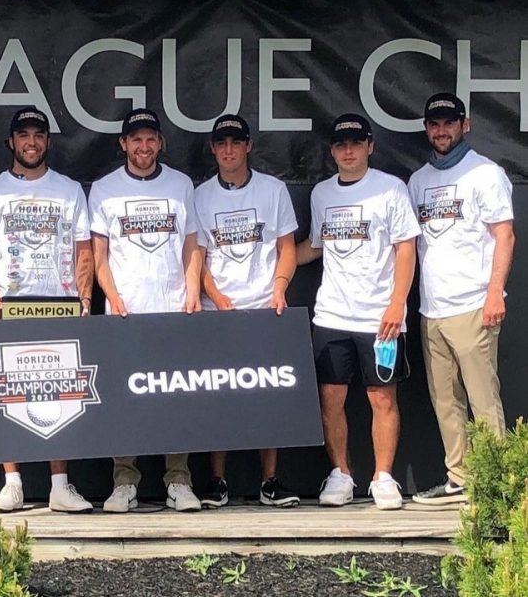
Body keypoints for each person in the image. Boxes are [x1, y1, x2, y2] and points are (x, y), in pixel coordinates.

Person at [296, 114, 419, 510]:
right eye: (340, 145)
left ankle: (383, 477)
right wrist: (270, 263)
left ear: (370, 146)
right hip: (331, 316)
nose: (348, 151)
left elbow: (406, 248)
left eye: (355, 143)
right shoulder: (321, 194)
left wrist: (398, 302)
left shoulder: (390, 189)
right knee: (330, 398)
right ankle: (341, 475)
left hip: (380, 318)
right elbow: (315, 246)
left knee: (382, 398)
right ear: (332, 151)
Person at [0, 106, 95, 513]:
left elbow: (84, 250)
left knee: (60, 392)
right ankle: (12, 482)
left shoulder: (68, 190)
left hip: (58, 305)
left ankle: (59, 485)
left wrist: (84, 299)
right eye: (23, 135)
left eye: (38, 135)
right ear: (11, 142)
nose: (31, 142)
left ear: (47, 141)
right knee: (9, 392)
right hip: (10, 307)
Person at [90, 108, 202, 513]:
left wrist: (192, 291)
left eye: (150, 138)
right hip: (125, 314)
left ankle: (178, 481)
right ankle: (125, 483)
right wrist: (114, 298)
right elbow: (98, 256)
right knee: (124, 401)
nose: (143, 146)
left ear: (160, 143)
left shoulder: (181, 184)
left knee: (177, 397)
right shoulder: (103, 188)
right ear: (123, 144)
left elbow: (192, 243)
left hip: (172, 310)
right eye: (135, 139)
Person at [409, 93, 514, 505]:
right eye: (434, 123)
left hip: (474, 305)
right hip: (431, 309)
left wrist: (494, 294)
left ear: (464, 125)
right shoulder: (418, 180)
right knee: (445, 400)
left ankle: (499, 485)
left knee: (483, 399)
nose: (441, 130)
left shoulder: (485, 174)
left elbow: (504, 235)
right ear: (427, 129)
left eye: (449, 123)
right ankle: (460, 478)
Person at [194, 114, 300, 508]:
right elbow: (197, 256)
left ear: (248, 146)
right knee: (218, 398)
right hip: (217, 312)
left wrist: (279, 288)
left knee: (267, 397)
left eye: (235, 143)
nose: (228, 150)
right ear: (213, 149)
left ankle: (270, 482)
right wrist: (218, 299)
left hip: (263, 309)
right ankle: (217, 482)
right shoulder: (200, 195)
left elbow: (286, 248)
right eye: (221, 144)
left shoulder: (273, 190)